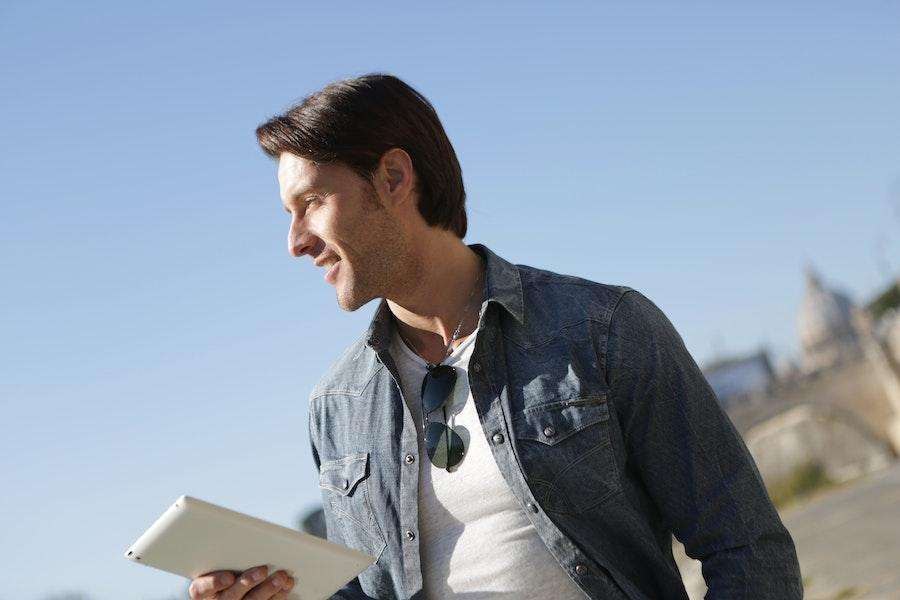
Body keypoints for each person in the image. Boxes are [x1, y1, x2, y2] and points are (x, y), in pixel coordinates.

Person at [189, 74, 802, 600]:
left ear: (395, 178)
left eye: (312, 202)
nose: (295, 241)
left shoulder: (606, 329)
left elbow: (747, 547)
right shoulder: (336, 408)